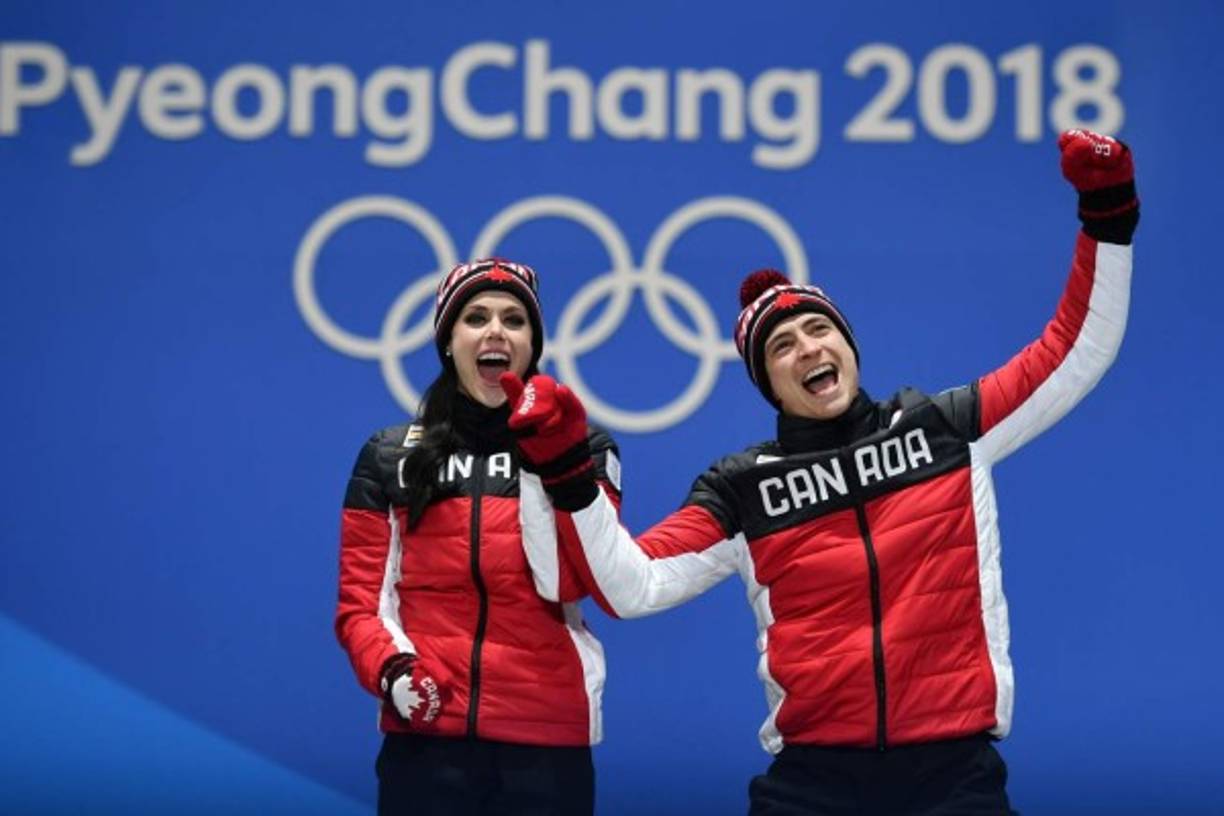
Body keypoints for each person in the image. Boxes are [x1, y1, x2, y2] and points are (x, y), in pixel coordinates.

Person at [499, 129, 1138, 814]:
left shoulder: (944, 430)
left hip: (953, 774)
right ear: (769, 383)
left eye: (818, 330)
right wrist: (566, 472)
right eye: (782, 346)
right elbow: (632, 586)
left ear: (847, 343)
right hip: (814, 785)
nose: (806, 348)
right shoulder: (742, 489)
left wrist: (1107, 216)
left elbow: (1077, 349)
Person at [334, 258, 621, 816]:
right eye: (476, 317)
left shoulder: (582, 446)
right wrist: (394, 672)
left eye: (515, 320)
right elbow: (361, 605)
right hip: (425, 736)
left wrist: (548, 459)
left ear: (533, 343)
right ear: (448, 340)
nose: (495, 331)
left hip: (547, 742)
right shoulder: (391, 455)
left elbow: (571, 580)